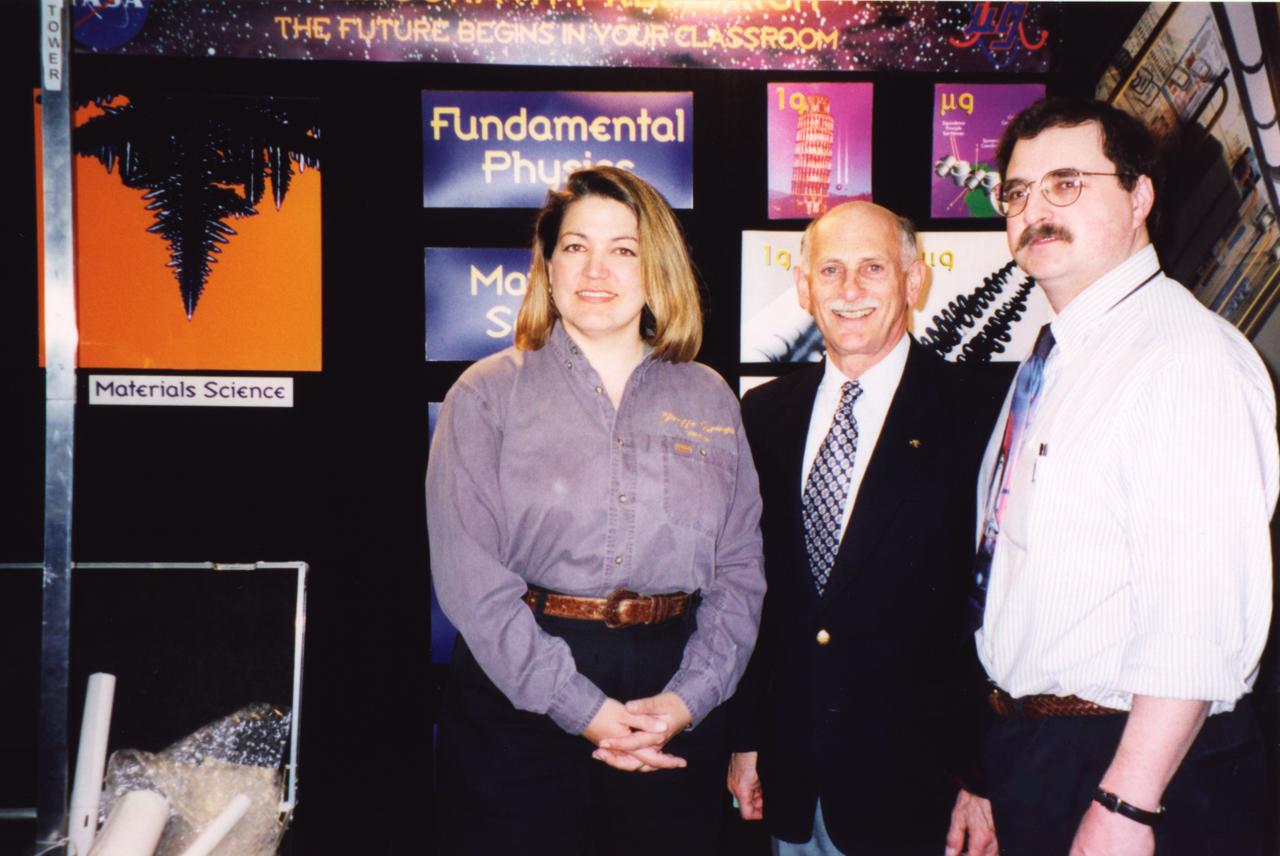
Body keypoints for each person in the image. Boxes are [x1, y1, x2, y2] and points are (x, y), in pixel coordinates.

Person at [951, 96, 1278, 856]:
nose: (1036, 210)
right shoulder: (1055, 357)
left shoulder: (1182, 359)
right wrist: (993, 769)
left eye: (1066, 183)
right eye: (1017, 192)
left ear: (1139, 198)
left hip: (1143, 769)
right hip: (1042, 754)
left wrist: (1128, 804)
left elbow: (1199, 614)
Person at [427, 165, 766, 856]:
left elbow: (739, 573)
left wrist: (689, 699)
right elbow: (471, 582)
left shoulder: (709, 398)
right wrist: (581, 708)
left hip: (675, 702)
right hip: (518, 705)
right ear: (548, 268)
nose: (596, 270)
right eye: (576, 246)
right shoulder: (485, 395)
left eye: (624, 249)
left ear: (656, 269)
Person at [727, 201, 1006, 856]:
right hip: (794, 783)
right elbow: (755, 590)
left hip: (926, 793)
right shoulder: (763, 414)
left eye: (873, 268)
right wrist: (747, 738)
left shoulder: (979, 412)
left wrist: (982, 777)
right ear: (804, 287)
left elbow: (1002, 604)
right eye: (831, 270)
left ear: (913, 281)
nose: (849, 290)